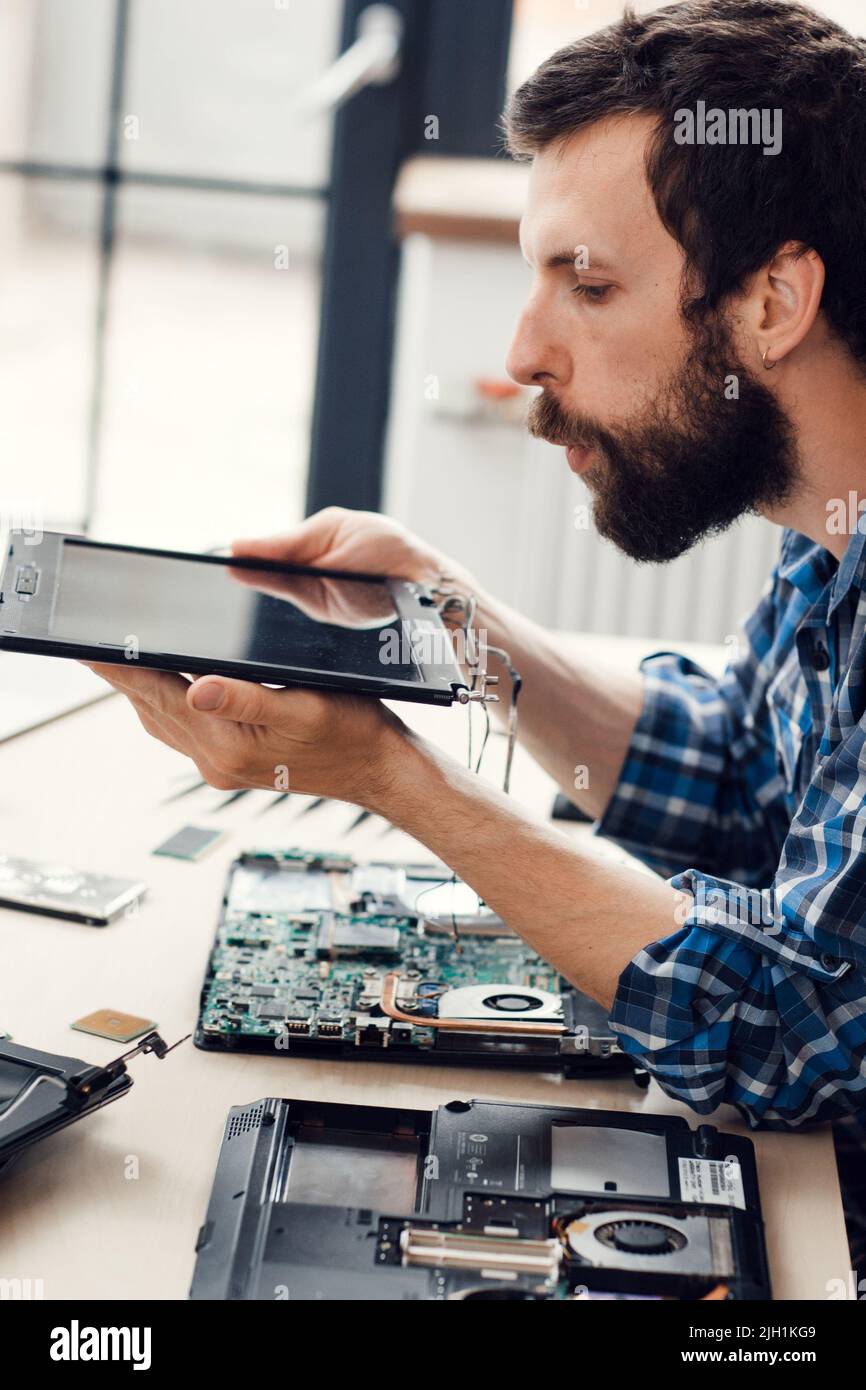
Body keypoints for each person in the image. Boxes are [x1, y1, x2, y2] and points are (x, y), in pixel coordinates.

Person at [91, 0, 866, 1220]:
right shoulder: (831, 535)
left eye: (589, 285)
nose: (522, 350)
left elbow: (786, 1025)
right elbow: (732, 786)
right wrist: (457, 625)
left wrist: (397, 780)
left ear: (772, 302)